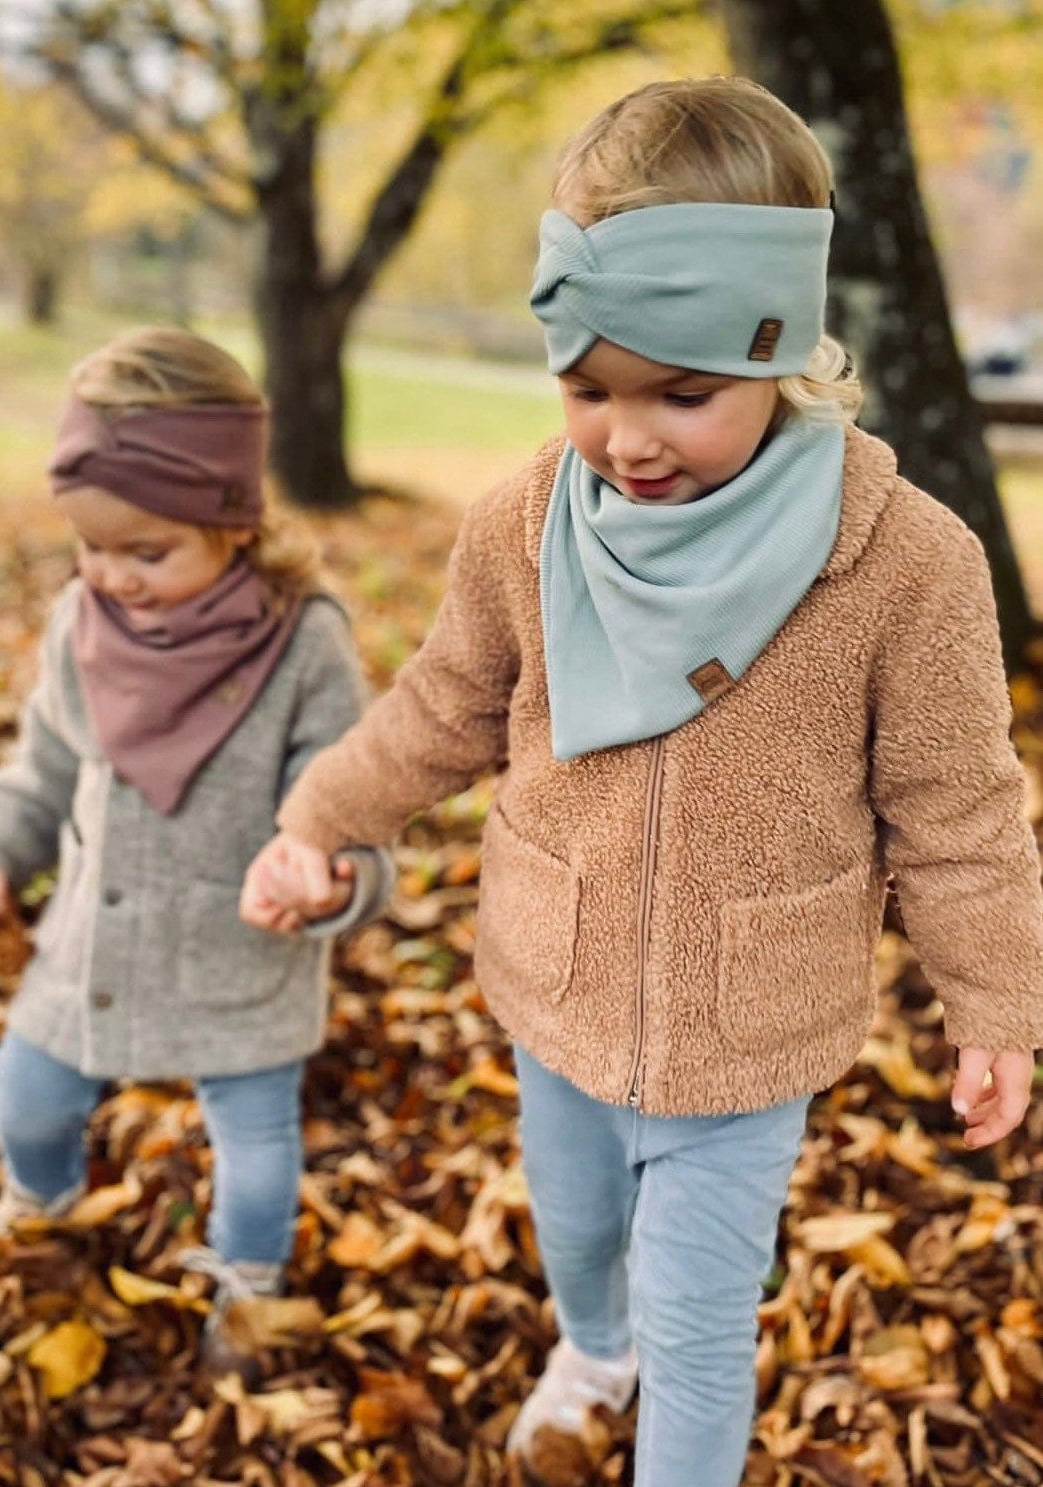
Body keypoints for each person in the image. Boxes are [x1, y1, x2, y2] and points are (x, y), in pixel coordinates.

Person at [238, 76, 1043, 1484]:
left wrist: (995, 1005)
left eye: (684, 391)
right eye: (588, 389)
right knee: (578, 1233)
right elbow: (442, 707)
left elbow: (957, 809)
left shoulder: (905, 562)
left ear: (781, 347)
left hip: (746, 1024)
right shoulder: (524, 523)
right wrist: (319, 817)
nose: (629, 438)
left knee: (700, 1320)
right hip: (557, 979)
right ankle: (589, 1342)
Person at [0, 327, 392, 1352]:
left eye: (147, 552)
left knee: (257, 1153)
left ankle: (248, 1290)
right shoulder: (81, 621)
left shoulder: (304, 644)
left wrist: (331, 879)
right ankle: (44, 1222)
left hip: (240, 957)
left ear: (235, 519)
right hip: (90, 949)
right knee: (27, 1100)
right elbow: (45, 765)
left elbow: (354, 809)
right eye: (91, 546)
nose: (116, 576)